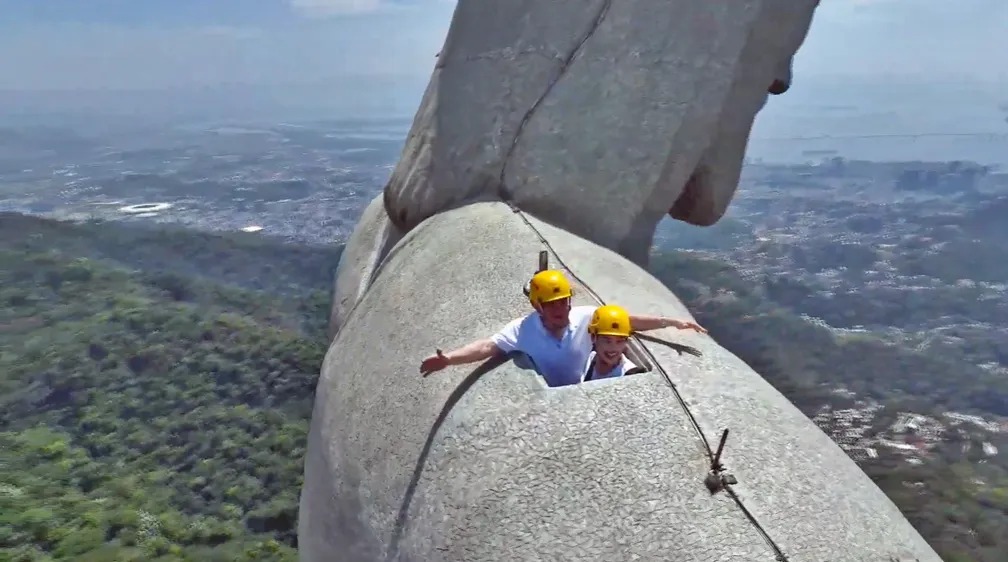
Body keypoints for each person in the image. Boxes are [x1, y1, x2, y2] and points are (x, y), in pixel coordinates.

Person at [419, 269, 707, 387]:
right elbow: (486, 347)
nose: (561, 309)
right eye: (552, 304)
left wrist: (670, 323)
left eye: (564, 301)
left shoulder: (585, 316)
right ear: (537, 306)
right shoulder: (522, 330)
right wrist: (450, 360)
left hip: (586, 387)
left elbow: (627, 321)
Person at [581, 304, 639, 382]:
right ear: (593, 337)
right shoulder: (590, 359)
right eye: (607, 341)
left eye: (619, 341)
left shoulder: (630, 377)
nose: (613, 348)